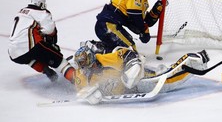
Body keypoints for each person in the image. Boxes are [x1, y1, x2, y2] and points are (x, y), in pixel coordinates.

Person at [73, 40, 210, 105]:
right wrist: (89, 95)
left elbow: (126, 54)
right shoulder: (80, 76)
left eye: (86, 61)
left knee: (166, 81)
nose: (84, 65)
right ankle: (160, 70)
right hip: (125, 90)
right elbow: (82, 91)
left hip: (135, 84)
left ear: (91, 58)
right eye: (82, 63)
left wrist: (133, 67)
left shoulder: (103, 59)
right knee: (159, 74)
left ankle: (194, 60)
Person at [8, 0, 75, 83]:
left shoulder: (21, 11)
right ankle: (80, 81)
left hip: (13, 53)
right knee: (60, 62)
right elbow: (50, 30)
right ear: (41, 3)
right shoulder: (42, 12)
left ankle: (46, 70)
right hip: (31, 47)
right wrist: (52, 46)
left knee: (29, 58)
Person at [95, 0, 164, 52]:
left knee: (126, 49)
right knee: (129, 51)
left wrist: (155, 13)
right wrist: (143, 29)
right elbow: (134, 15)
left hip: (106, 26)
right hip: (108, 26)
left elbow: (139, 20)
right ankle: (94, 54)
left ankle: (95, 51)